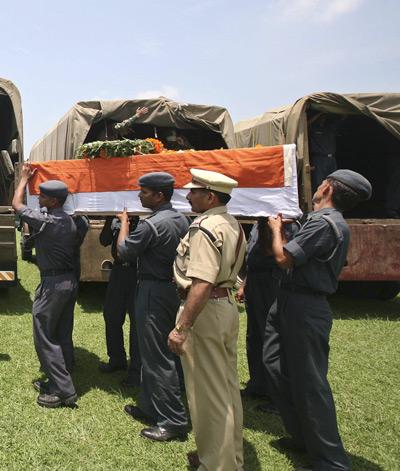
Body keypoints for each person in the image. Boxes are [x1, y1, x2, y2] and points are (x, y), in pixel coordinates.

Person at [263, 169, 372, 470]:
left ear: (326, 189)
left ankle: (331, 460)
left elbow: (284, 258)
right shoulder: (317, 222)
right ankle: (302, 436)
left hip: (306, 305)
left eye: (322, 182)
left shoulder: (325, 224)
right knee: (274, 364)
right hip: (289, 299)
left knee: (310, 383)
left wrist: (274, 229)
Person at [168, 168, 247, 471]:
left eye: (193, 191)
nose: (188, 195)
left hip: (205, 310)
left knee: (208, 396)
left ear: (210, 196)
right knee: (226, 391)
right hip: (224, 307)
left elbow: (201, 283)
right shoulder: (230, 222)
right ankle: (228, 459)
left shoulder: (204, 228)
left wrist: (181, 327)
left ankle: (217, 465)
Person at [117, 172, 189, 442]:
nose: (139, 195)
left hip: (152, 291)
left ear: (159, 195)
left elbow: (124, 252)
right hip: (172, 289)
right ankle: (149, 407)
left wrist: (124, 224)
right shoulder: (180, 219)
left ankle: (173, 421)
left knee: (158, 357)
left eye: (144, 192)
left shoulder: (152, 225)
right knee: (152, 352)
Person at [12, 164, 88, 408]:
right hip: (68, 282)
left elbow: (16, 205)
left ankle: (63, 391)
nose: (39, 198)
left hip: (53, 283)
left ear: (54, 201)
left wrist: (23, 179)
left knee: (44, 334)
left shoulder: (48, 222)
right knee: (61, 330)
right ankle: (63, 371)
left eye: (43, 196)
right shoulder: (72, 221)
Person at [236, 218, 283, 400]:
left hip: (270, 280)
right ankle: (258, 384)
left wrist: (269, 226)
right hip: (255, 279)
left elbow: (272, 252)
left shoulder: (281, 223)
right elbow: (253, 257)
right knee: (254, 335)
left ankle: (276, 392)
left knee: (269, 334)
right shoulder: (258, 222)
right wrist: (244, 285)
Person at [98, 216, 141, 387]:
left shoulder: (144, 221)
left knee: (136, 323)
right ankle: (117, 359)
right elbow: (103, 240)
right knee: (111, 315)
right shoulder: (115, 220)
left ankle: (136, 369)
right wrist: (109, 218)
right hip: (118, 271)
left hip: (137, 273)